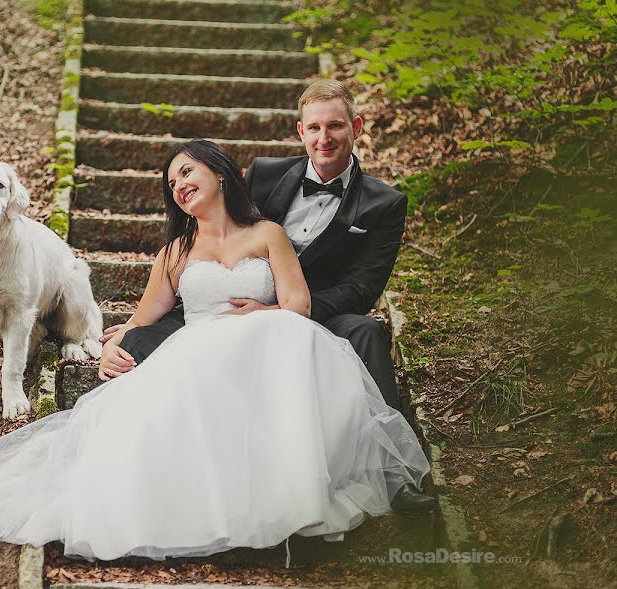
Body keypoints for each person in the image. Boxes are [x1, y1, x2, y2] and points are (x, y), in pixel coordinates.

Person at [0, 140, 431, 563]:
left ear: (220, 174)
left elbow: (298, 303)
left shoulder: (268, 235)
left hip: (268, 340)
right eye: (172, 183)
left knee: (285, 343)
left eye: (187, 173)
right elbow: (144, 318)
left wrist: (263, 312)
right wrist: (112, 347)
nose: (179, 186)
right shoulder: (175, 251)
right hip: (201, 354)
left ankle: (289, 500)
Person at [100, 80, 435, 513]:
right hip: (233, 299)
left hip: (316, 309)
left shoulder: (383, 204)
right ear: (300, 131)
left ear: (356, 127)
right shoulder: (265, 173)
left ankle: (395, 475)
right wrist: (124, 331)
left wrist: (280, 312)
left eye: (335, 126)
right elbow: (222, 229)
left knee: (367, 331)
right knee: (146, 343)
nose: (324, 138)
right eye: (314, 128)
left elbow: (362, 288)